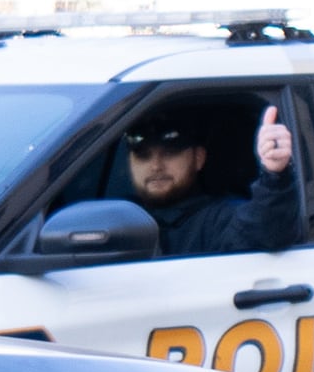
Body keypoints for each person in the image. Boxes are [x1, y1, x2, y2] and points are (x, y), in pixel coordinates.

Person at [125, 100, 302, 255]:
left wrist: (275, 175)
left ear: (198, 158)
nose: (156, 165)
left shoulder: (218, 218)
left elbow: (264, 231)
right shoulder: (119, 216)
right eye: (144, 156)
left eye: (170, 153)